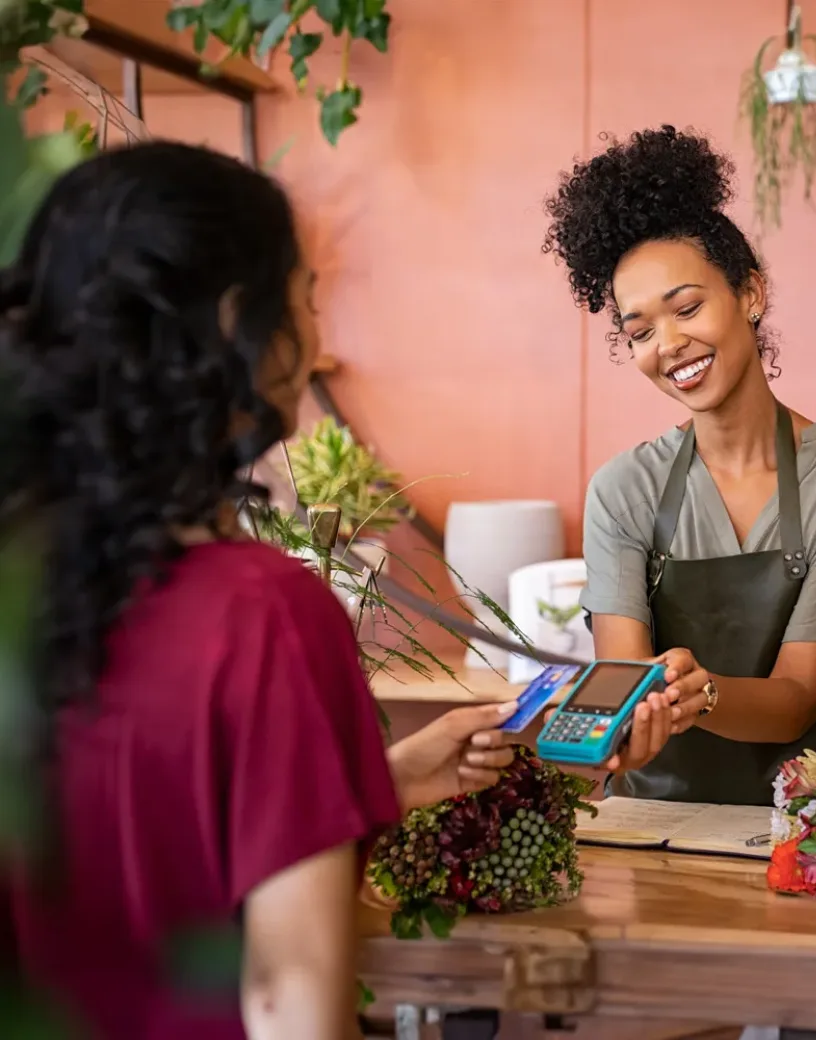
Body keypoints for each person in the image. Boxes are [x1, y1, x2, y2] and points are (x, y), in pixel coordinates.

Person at [0, 142, 519, 1040]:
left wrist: (378, 781)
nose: (315, 336)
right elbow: (289, 998)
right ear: (242, 320)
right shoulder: (264, 614)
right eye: (307, 297)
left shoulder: (24, 588)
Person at [543, 126, 816, 805]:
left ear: (751, 294)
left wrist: (695, 691)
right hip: (660, 834)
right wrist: (625, 725)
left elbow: (797, 698)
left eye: (688, 307)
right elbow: (623, 680)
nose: (668, 344)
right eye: (639, 331)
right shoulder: (623, 491)